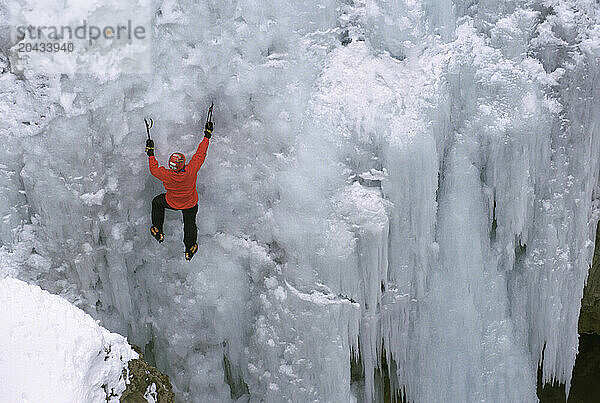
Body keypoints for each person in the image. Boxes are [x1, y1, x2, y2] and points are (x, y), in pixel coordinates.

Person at [145, 119, 213, 260]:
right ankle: (190, 247)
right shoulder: (191, 170)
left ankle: (158, 229)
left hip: (172, 202)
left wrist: (151, 153)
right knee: (190, 224)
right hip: (190, 203)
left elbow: (153, 169)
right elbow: (200, 154)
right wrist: (207, 135)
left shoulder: (166, 174)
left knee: (157, 202)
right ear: (183, 164)